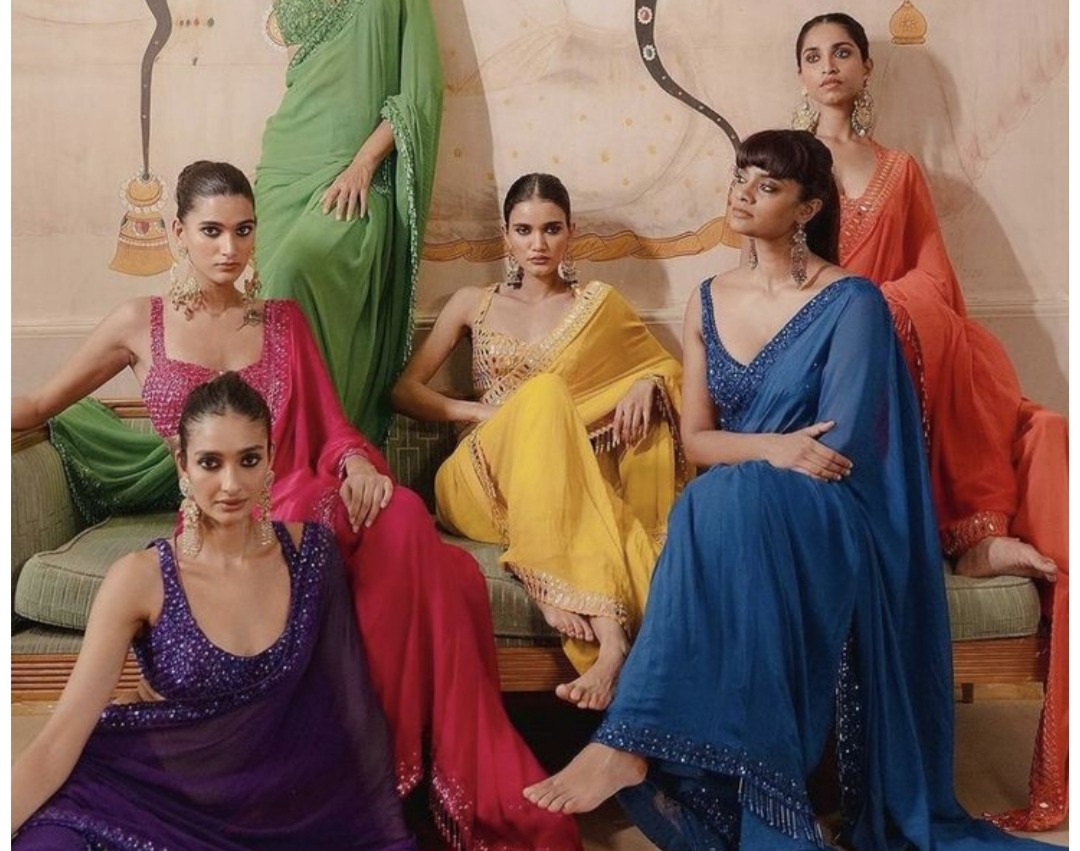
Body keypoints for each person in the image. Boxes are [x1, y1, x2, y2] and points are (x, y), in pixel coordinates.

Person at [12, 161, 581, 851]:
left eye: (243, 230)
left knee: (401, 515)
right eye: (212, 231)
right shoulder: (140, 324)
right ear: (178, 233)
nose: (229, 248)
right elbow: (38, 404)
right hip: (218, 518)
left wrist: (357, 464)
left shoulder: (280, 321)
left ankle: (385, 768)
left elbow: (333, 428)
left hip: (299, 502)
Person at [522, 130, 1056, 851]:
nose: (743, 193)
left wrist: (765, 459)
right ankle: (708, 778)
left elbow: (839, 452)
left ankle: (629, 738)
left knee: (715, 500)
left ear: (807, 208)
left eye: (766, 185)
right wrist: (772, 446)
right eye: (739, 176)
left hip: (835, 513)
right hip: (747, 502)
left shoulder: (853, 301)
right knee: (714, 499)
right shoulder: (706, 300)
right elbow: (697, 441)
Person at [792, 13, 1067, 831]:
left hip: (900, 351)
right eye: (813, 56)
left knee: (1019, 399)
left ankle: (977, 532)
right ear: (800, 75)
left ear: (866, 69)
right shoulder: (787, 161)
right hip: (818, 350)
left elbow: (933, 277)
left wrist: (884, 306)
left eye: (843, 52)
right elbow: (765, 266)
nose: (828, 66)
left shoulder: (900, 170)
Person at [13, 373, 414, 849]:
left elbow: (348, 710)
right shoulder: (139, 578)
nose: (231, 484)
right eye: (210, 462)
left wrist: (385, 834)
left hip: (276, 814)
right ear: (182, 465)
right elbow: (58, 739)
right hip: (144, 800)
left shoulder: (310, 557)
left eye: (249, 459)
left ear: (270, 458)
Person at [392, 173, 690, 711]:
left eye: (551, 229)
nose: (538, 244)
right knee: (546, 394)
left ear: (570, 233)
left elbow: (667, 370)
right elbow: (405, 391)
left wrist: (647, 382)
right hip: (476, 479)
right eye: (524, 230)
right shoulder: (472, 303)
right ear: (506, 235)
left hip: (554, 485)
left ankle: (609, 640)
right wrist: (484, 412)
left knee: (589, 467)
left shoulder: (598, 305)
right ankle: (557, 588)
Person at [254, 0, 442, 446]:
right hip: (286, 168)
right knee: (273, 306)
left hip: (357, 171)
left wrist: (364, 162)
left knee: (294, 270)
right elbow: (302, 64)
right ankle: (282, 459)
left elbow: (421, 93)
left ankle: (329, 451)